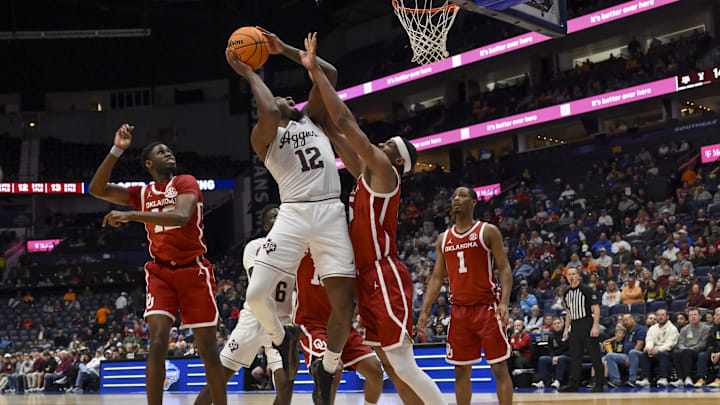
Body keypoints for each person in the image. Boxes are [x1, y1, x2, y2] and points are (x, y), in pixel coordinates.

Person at [299, 33, 445, 405]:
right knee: (393, 365)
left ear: (397, 162)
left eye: (387, 147)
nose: (380, 146)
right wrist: (313, 94)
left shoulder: (385, 174)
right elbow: (334, 130)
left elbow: (345, 120)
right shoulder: (366, 175)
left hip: (383, 273)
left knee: (403, 363)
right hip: (366, 276)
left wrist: (317, 72)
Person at [226, 30, 357, 403]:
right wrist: (250, 72)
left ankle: (327, 366)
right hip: (294, 212)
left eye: (288, 96)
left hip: (331, 209)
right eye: (282, 95)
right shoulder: (264, 138)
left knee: (344, 305)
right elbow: (268, 110)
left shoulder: (312, 119)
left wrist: (285, 50)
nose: (287, 98)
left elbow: (328, 76)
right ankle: (284, 342)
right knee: (254, 295)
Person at [88, 124, 226, 405]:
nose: (169, 153)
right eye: (162, 152)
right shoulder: (141, 192)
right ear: (149, 163)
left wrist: (130, 216)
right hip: (161, 272)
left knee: (208, 350)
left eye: (170, 150)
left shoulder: (186, 182)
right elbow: (96, 189)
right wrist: (117, 150)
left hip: (193, 270)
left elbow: (180, 216)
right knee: (158, 343)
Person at [418, 186, 513, 405]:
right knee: (460, 371)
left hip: (487, 307)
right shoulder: (444, 238)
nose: (456, 199)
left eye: (461, 195)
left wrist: (505, 303)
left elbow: (505, 269)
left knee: (499, 367)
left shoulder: (487, 231)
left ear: (474, 202)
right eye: (453, 196)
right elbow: (435, 277)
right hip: (459, 311)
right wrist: (424, 310)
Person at [195, 205, 294, 405]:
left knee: (285, 386)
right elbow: (257, 283)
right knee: (220, 378)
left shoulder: (296, 247)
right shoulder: (255, 246)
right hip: (255, 318)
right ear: (265, 224)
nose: (278, 218)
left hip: (283, 320)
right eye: (273, 216)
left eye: (280, 215)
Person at [296, 252, 406, 405]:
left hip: (342, 325)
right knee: (331, 370)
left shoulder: (346, 250)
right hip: (312, 324)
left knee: (375, 372)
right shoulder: (303, 245)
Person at [559, 267, 604, 392]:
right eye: (569, 274)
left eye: (574, 274)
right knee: (575, 356)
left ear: (578, 276)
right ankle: (573, 384)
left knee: (594, 355)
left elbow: (596, 309)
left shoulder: (586, 289)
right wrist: (566, 329)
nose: (572, 276)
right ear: (567, 277)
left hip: (587, 323)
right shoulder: (566, 292)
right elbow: (569, 312)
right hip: (575, 326)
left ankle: (599, 384)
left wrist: (595, 326)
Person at [634, 308, 678, 387]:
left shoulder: (672, 329)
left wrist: (658, 350)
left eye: (662, 315)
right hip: (654, 352)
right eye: (658, 315)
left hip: (668, 352)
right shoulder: (652, 328)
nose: (660, 317)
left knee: (663, 354)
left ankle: (663, 379)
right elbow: (649, 340)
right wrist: (648, 348)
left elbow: (670, 344)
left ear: (667, 317)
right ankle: (645, 380)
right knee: (644, 355)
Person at [672, 307, 711, 387]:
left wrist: (689, 349)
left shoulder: (706, 328)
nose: (693, 317)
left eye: (695, 315)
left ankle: (688, 378)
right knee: (676, 353)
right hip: (686, 350)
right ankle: (680, 379)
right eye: (691, 315)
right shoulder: (684, 329)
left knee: (687, 352)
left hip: (699, 351)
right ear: (688, 317)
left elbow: (703, 344)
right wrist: (683, 348)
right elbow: (680, 343)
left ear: (700, 317)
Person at [605, 314, 646, 387]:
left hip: (639, 354)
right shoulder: (627, 330)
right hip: (626, 355)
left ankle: (632, 380)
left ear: (633, 319)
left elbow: (640, 345)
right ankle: (616, 381)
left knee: (632, 352)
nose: (625, 322)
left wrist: (629, 358)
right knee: (610, 356)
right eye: (623, 321)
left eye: (627, 320)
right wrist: (607, 341)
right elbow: (617, 336)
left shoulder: (640, 329)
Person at [532, 317, 570, 389]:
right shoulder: (551, 336)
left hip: (566, 356)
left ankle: (558, 381)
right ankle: (543, 381)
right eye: (555, 324)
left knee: (561, 358)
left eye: (558, 323)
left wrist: (558, 357)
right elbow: (550, 349)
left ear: (562, 324)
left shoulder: (567, 334)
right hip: (555, 357)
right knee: (542, 359)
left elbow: (571, 350)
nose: (557, 325)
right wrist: (553, 357)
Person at [696, 308, 720, 387]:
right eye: (715, 315)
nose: (715, 317)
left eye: (718, 315)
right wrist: (712, 352)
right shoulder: (713, 329)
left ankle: (719, 379)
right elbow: (710, 344)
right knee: (702, 355)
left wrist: (719, 354)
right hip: (715, 353)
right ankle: (701, 378)